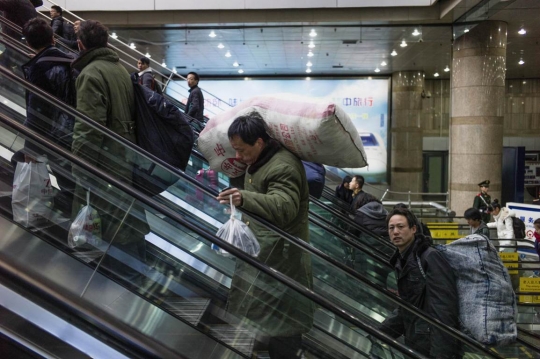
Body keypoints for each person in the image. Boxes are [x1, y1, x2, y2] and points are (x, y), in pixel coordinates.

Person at [216, 112, 313, 358]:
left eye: (242, 150)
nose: (238, 156)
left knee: (283, 330)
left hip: (282, 263)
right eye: (235, 150)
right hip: (266, 256)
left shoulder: (282, 166)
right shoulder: (260, 160)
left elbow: (285, 206)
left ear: (259, 142)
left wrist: (243, 197)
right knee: (266, 324)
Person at [71, 20, 149, 282]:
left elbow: (88, 128)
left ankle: (116, 287)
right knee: (126, 222)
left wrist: (78, 167)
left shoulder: (90, 74)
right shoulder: (120, 69)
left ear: (81, 44)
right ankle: (139, 278)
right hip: (125, 159)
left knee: (110, 227)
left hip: (104, 164)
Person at [379, 207, 460, 358]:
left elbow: (443, 309)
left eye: (400, 227)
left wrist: (441, 355)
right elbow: (407, 307)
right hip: (416, 342)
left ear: (413, 229)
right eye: (391, 228)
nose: (395, 232)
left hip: (431, 346)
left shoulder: (429, 257)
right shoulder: (401, 261)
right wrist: (378, 332)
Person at [21, 17, 76, 215]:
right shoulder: (71, 59)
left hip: (57, 138)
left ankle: (78, 230)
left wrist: (31, 147)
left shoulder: (38, 69)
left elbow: (37, 111)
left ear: (28, 42)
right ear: (53, 38)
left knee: (69, 187)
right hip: (76, 131)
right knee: (77, 185)